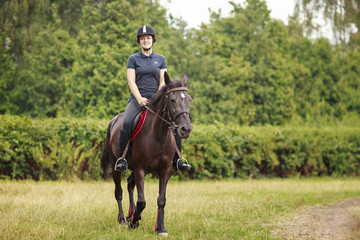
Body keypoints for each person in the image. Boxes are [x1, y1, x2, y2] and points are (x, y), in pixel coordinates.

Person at [115, 25, 191, 172]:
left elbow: (163, 81)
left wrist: (156, 98)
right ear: (139, 41)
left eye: (148, 38)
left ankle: (178, 160)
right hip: (137, 99)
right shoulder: (133, 59)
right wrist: (139, 99)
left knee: (174, 124)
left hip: (157, 99)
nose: (146, 41)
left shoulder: (161, 59)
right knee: (126, 123)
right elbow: (131, 81)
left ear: (153, 40)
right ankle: (122, 159)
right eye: (143, 39)